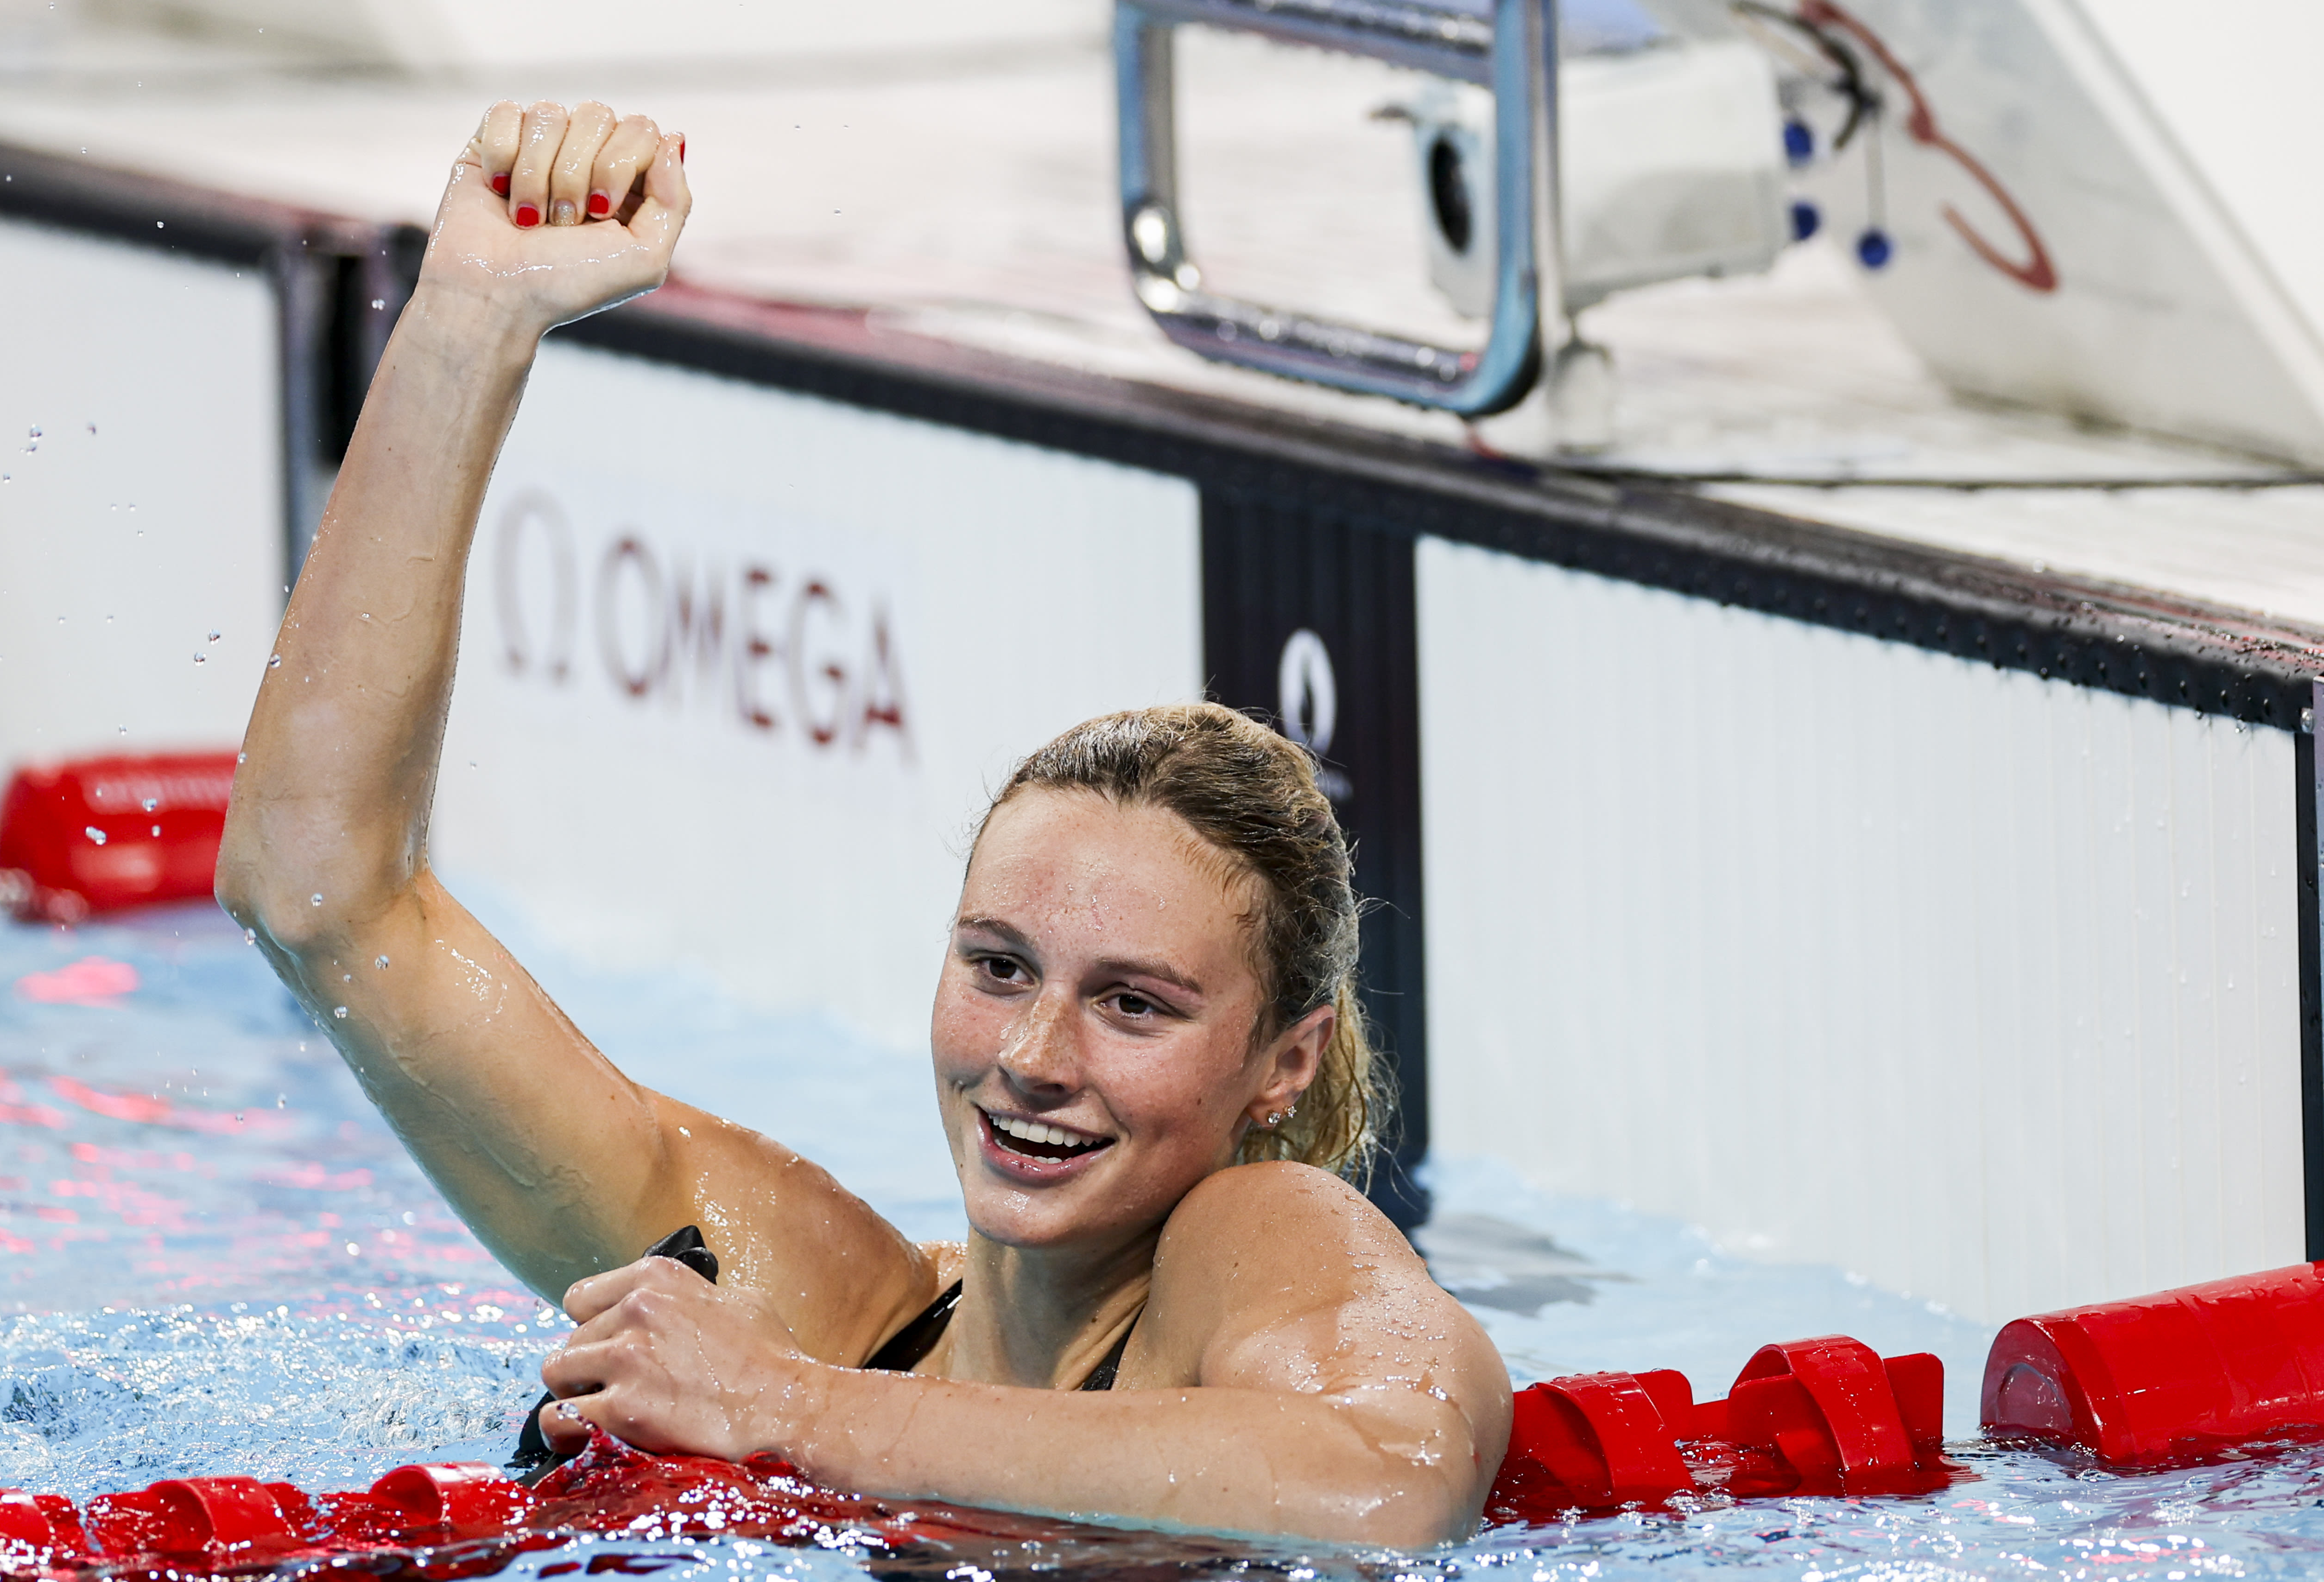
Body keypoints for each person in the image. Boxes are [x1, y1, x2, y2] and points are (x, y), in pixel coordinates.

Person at [214, 100, 1512, 1547]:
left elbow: (1385, 1487)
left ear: (1286, 1060)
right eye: (999, 967)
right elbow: (317, 899)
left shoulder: (1245, 1241)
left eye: (1133, 1006)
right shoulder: (822, 1301)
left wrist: (794, 1412)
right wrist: (468, 319)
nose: (1032, 1061)